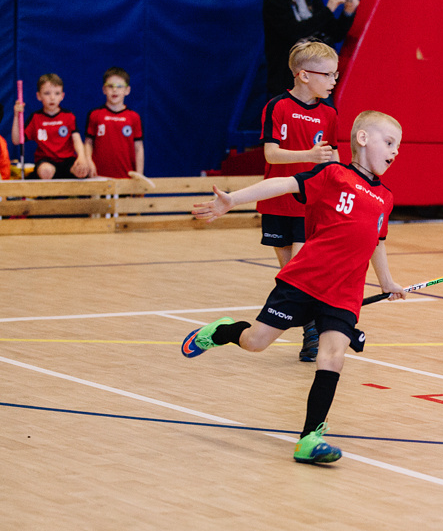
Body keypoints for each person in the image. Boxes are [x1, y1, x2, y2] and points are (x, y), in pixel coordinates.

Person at [182, 110, 406, 464]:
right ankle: (222, 331)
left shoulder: (386, 197)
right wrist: (233, 200)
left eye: (398, 147)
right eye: (389, 143)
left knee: (332, 357)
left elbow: (377, 240)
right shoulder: (334, 174)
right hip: (304, 280)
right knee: (255, 342)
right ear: (362, 138)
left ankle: (309, 438)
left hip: (344, 292)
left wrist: (387, 281)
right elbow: (283, 184)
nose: (395, 152)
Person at [258, 40, 341, 362]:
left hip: (311, 205)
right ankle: (309, 326)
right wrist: (309, 154)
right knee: (291, 274)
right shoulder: (278, 107)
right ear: (304, 75)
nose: (334, 80)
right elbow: (271, 154)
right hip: (279, 203)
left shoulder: (329, 113)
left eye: (336, 74)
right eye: (328, 74)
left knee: (305, 272)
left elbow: (333, 157)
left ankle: (313, 333)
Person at [263, 0, 359, 97]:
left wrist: (348, 12)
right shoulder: (274, 0)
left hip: (318, 79)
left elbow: (336, 33)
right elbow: (294, 32)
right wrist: (328, 10)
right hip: (287, 80)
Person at [11, 73, 90, 179]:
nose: (52, 98)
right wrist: (16, 115)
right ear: (39, 96)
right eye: (47, 93)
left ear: (62, 96)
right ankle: (47, 195)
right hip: (46, 161)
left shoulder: (69, 116)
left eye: (57, 93)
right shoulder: (35, 117)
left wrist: (82, 157)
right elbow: (16, 140)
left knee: (83, 171)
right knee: (46, 171)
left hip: (67, 161)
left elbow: (77, 140)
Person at [84, 67, 144, 179]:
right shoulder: (95, 114)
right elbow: (88, 143)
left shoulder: (134, 117)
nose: (115, 90)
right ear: (104, 89)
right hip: (98, 177)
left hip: (125, 177)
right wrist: (89, 161)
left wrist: (139, 175)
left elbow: (138, 148)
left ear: (127, 90)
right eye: (110, 86)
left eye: (119, 86)